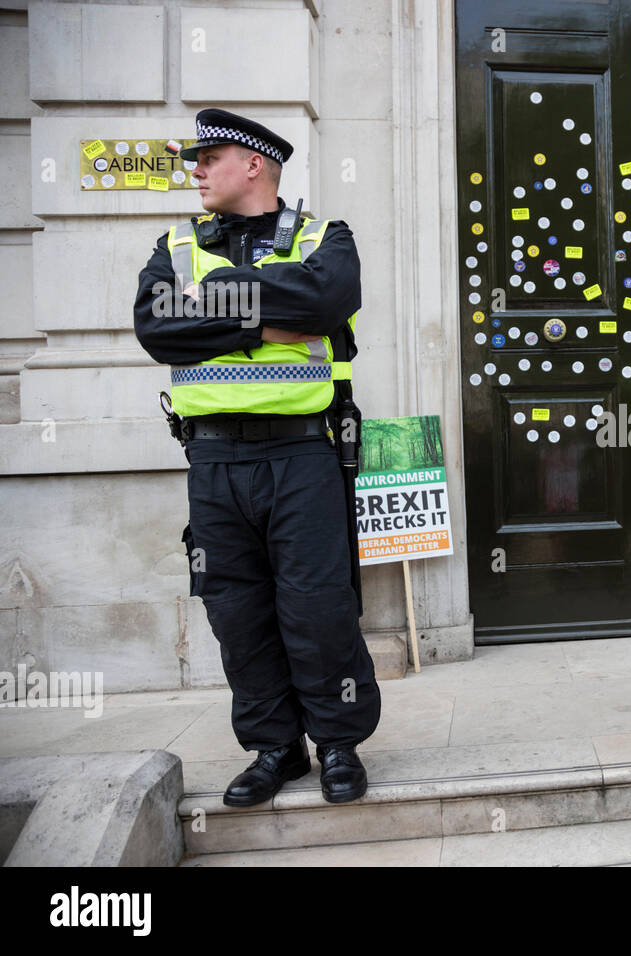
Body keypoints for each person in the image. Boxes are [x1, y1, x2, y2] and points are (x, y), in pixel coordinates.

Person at [133, 109, 380, 806]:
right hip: (212, 466)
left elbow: (326, 298)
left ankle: (337, 743)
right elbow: (157, 326)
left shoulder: (323, 237)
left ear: (253, 164)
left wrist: (207, 309)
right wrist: (269, 321)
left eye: (207, 157)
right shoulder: (175, 244)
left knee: (318, 609)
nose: (195, 169)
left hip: (303, 457)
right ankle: (277, 748)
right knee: (235, 613)